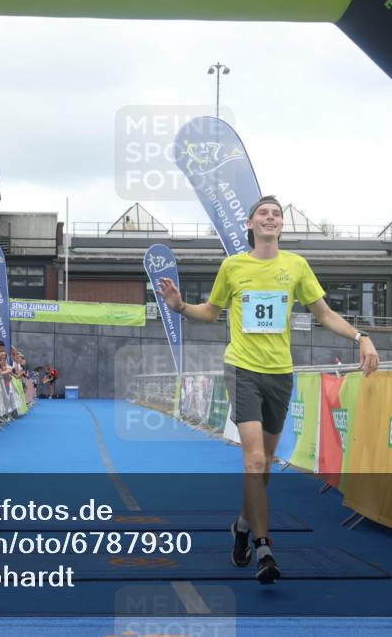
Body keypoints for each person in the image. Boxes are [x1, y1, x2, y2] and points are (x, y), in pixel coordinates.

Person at [156, 195, 379, 584]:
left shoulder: (296, 266)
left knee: (265, 466)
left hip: (279, 374)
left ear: (281, 225)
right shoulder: (233, 266)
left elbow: (324, 314)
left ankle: (242, 526)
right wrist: (180, 306)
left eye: (277, 214)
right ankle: (264, 549)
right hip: (242, 368)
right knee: (255, 460)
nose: (271, 218)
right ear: (250, 223)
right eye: (263, 213)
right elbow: (211, 311)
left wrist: (362, 337)